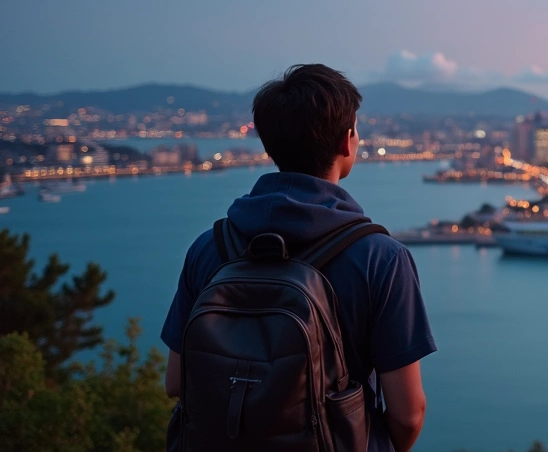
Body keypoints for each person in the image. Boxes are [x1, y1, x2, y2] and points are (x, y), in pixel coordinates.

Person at [160, 64, 435, 451]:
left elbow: (176, 382)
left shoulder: (209, 248)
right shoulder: (381, 259)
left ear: (269, 144)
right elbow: (408, 415)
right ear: (347, 140)